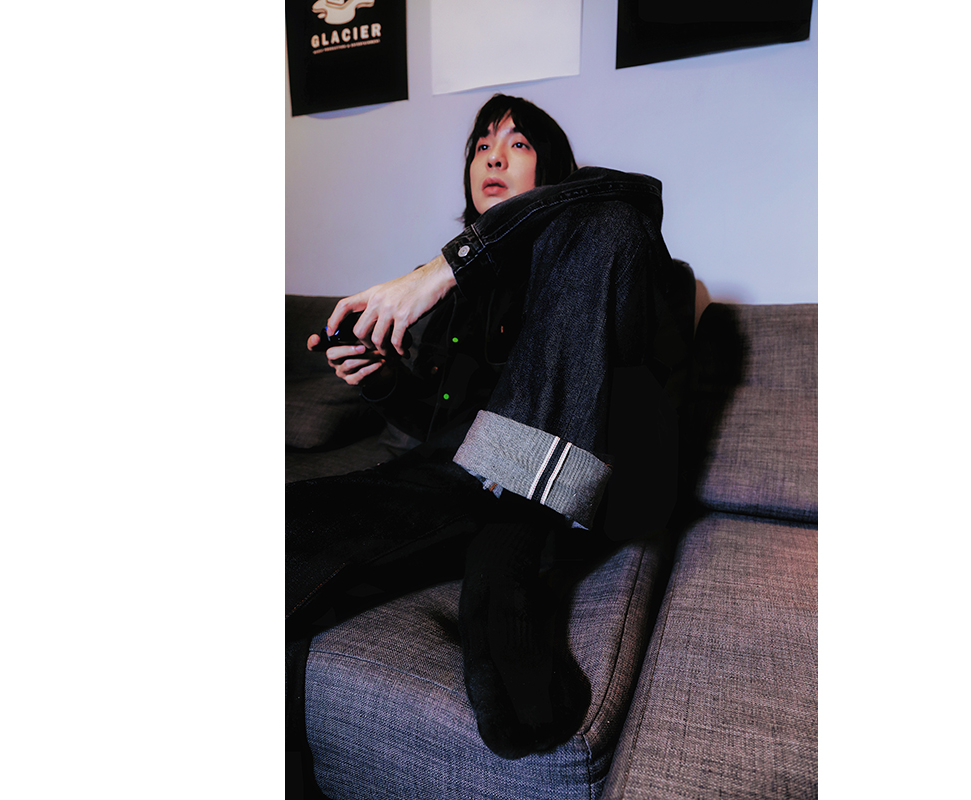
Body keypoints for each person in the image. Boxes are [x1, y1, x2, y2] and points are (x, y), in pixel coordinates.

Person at [287, 95, 694, 791]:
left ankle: (508, 546)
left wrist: (448, 263)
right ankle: (505, 531)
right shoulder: (464, 298)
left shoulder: (607, 239)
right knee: (295, 519)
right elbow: (444, 431)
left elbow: (635, 194)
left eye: (518, 144)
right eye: (481, 146)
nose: (494, 157)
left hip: (598, 484)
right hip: (467, 477)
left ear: (554, 169)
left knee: (605, 224)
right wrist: (382, 382)